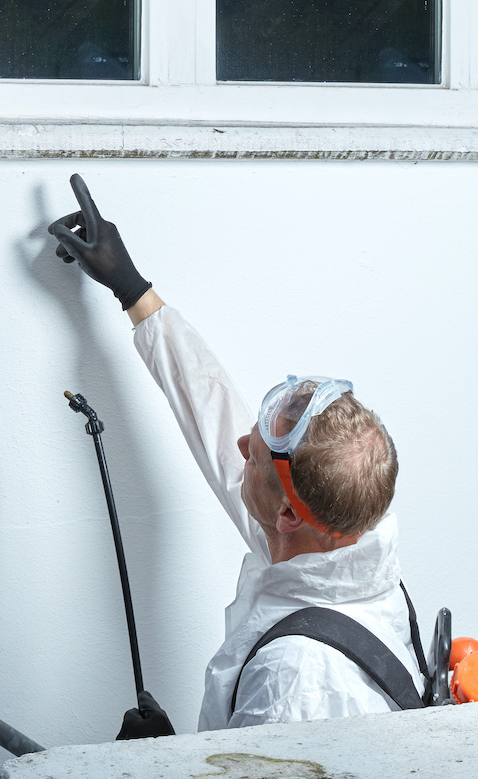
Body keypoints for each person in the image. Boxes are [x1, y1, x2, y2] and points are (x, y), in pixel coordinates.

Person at [48, 175, 422, 735]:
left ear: (289, 515)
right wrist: (133, 290)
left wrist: (155, 769)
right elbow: (214, 413)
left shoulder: (295, 679)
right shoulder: (335, 551)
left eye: (253, 458)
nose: (241, 447)